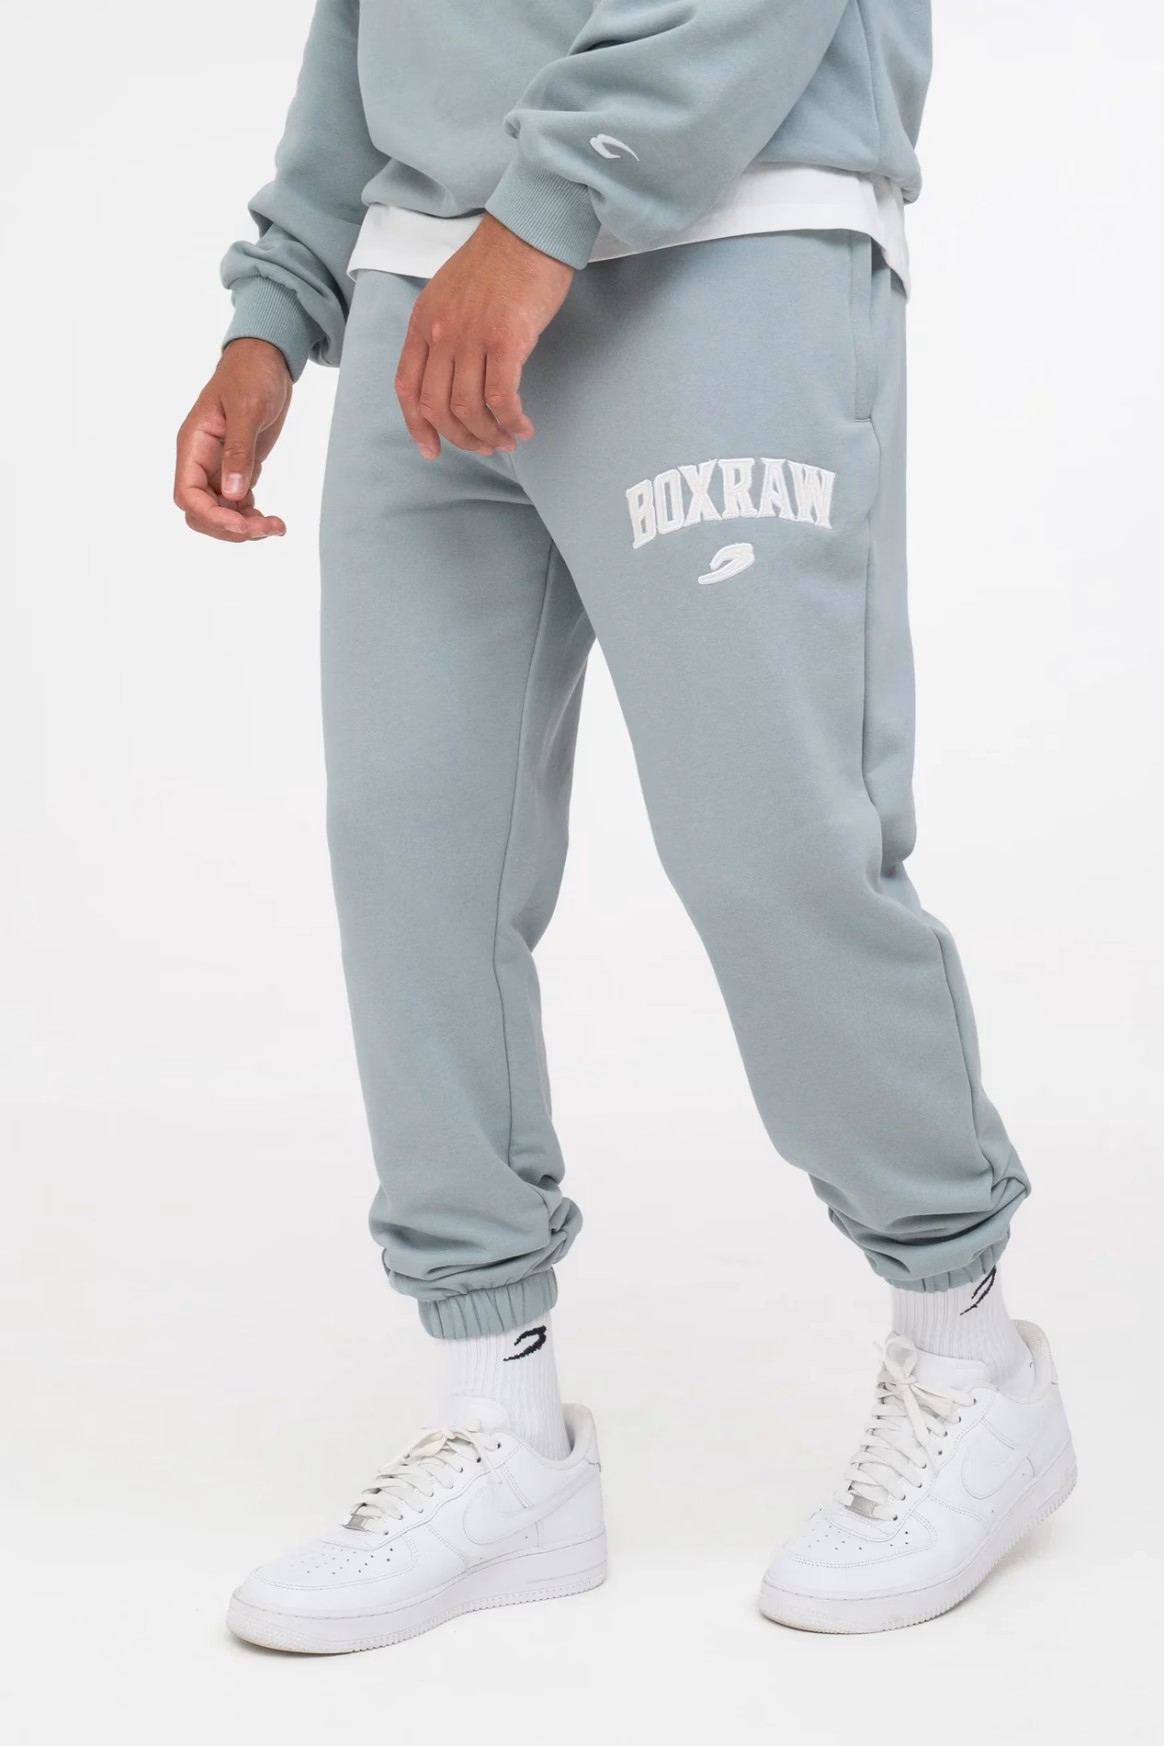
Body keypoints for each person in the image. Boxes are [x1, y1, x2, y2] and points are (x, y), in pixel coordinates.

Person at [175, 0, 1075, 1650]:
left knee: (772, 837)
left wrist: (548, 207)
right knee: (415, 858)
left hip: (724, 233)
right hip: (420, 279)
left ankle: (973, 1356)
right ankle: (500, 1422)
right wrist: (279, 303)